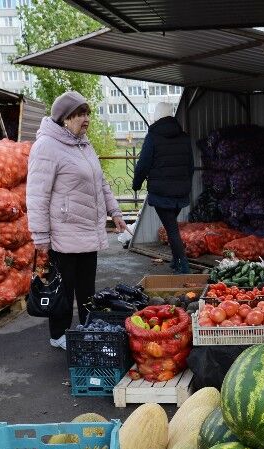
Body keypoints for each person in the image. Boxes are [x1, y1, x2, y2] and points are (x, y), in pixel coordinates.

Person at [27, 90, 127, 350]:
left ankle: (87, 329)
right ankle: (58, 335)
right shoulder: (46, 146)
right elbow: (37, 194)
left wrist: (115, 212)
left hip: (88, 230)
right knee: (63, 288)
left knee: (86, 289)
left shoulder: (84, 144)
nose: (86, 119)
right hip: (64, 232)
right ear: (65, 118)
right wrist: (40, 235)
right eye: (81, 114)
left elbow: (101, 183)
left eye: (87, 114)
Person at [133, 102, 193, 274]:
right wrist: (185, 185)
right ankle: (176, 259)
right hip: (180, 192)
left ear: (157, 116)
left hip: (161, 193)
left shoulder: (152, 137)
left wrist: (136, 184)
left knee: (171, 228)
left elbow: (143, 164)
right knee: (171, 225)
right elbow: (190, 165)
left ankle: (183, 265)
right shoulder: (184, 137)